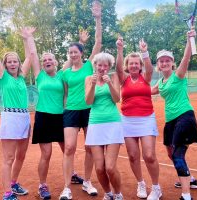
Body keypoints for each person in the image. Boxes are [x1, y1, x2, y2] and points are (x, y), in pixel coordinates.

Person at [24, 28, 89, 200]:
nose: (46, 61)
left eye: (50, 59)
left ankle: (72, 174)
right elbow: (33, 54)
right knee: (46, 154)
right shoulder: (39, 75)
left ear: (55, 62)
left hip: (61, 117)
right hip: (44, 117)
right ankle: (42, 185)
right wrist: (29, 37)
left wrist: (81, 42)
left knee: (68, 149)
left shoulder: (62, 74)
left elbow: (74, 56)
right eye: (44, 60)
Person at [0, 17, 32, 200]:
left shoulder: (22, 77)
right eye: (9, 61)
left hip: (25, 117)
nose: (12, 63)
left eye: (15, 61)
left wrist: (26, 39)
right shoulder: (3, 77)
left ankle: (13, 183)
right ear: (5, 64)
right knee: (8, 158)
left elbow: (30, 57)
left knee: (21, 156)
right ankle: (7, 193)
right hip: (10, 117)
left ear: (18, 63)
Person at [59, 1, 102, 199]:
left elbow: (98, 44)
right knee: (69, 148)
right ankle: (66, 187)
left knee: (90, 147)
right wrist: (66, 107)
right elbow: (65, 92)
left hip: (89, 109)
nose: (73, 54)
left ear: (82, 54)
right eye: (70, 53)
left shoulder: (88, 66)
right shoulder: (66, 73)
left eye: (75, 52)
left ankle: (87, 181)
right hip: (71, 111)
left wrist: (98, 19)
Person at [151, 28, 197, 200]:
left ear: (172, 63)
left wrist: (189, 40)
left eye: (167, 60)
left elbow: (186, 58)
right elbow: (148, 91)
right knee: (171, 154)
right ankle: (191, 179)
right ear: (158, 65)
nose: (164, 63)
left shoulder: (178, 75)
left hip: (184, 117)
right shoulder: (160, 82)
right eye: (161, 61)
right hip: (170, 121)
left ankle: (186, 195)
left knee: (178, 155)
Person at [116, 36, 162, 200]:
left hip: (146, 118)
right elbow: (118, 69)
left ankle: (156, 188)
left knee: (149, 155)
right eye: (131, 63)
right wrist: (120, 50)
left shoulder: (146, 77)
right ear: (128, 66)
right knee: (133, 156)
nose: (134, 65)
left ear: (140, 65)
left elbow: (150, 68)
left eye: (137, 63)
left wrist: (145, 52)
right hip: (127, 120)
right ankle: (141, 183)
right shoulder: (123, 79)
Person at [85, 52, 124, 200]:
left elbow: (116, 99)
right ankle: (108, 193)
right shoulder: (89, 79)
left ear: (109, 67)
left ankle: (118, 194)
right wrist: (93, 84)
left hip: (113, 123)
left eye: (105, 65)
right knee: (100, 168)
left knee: (110, 167)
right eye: (99, 65)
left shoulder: (113, 77)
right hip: (95, 124)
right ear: (95, 66)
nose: (102, 68)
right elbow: (88, 101)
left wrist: (108, 83)